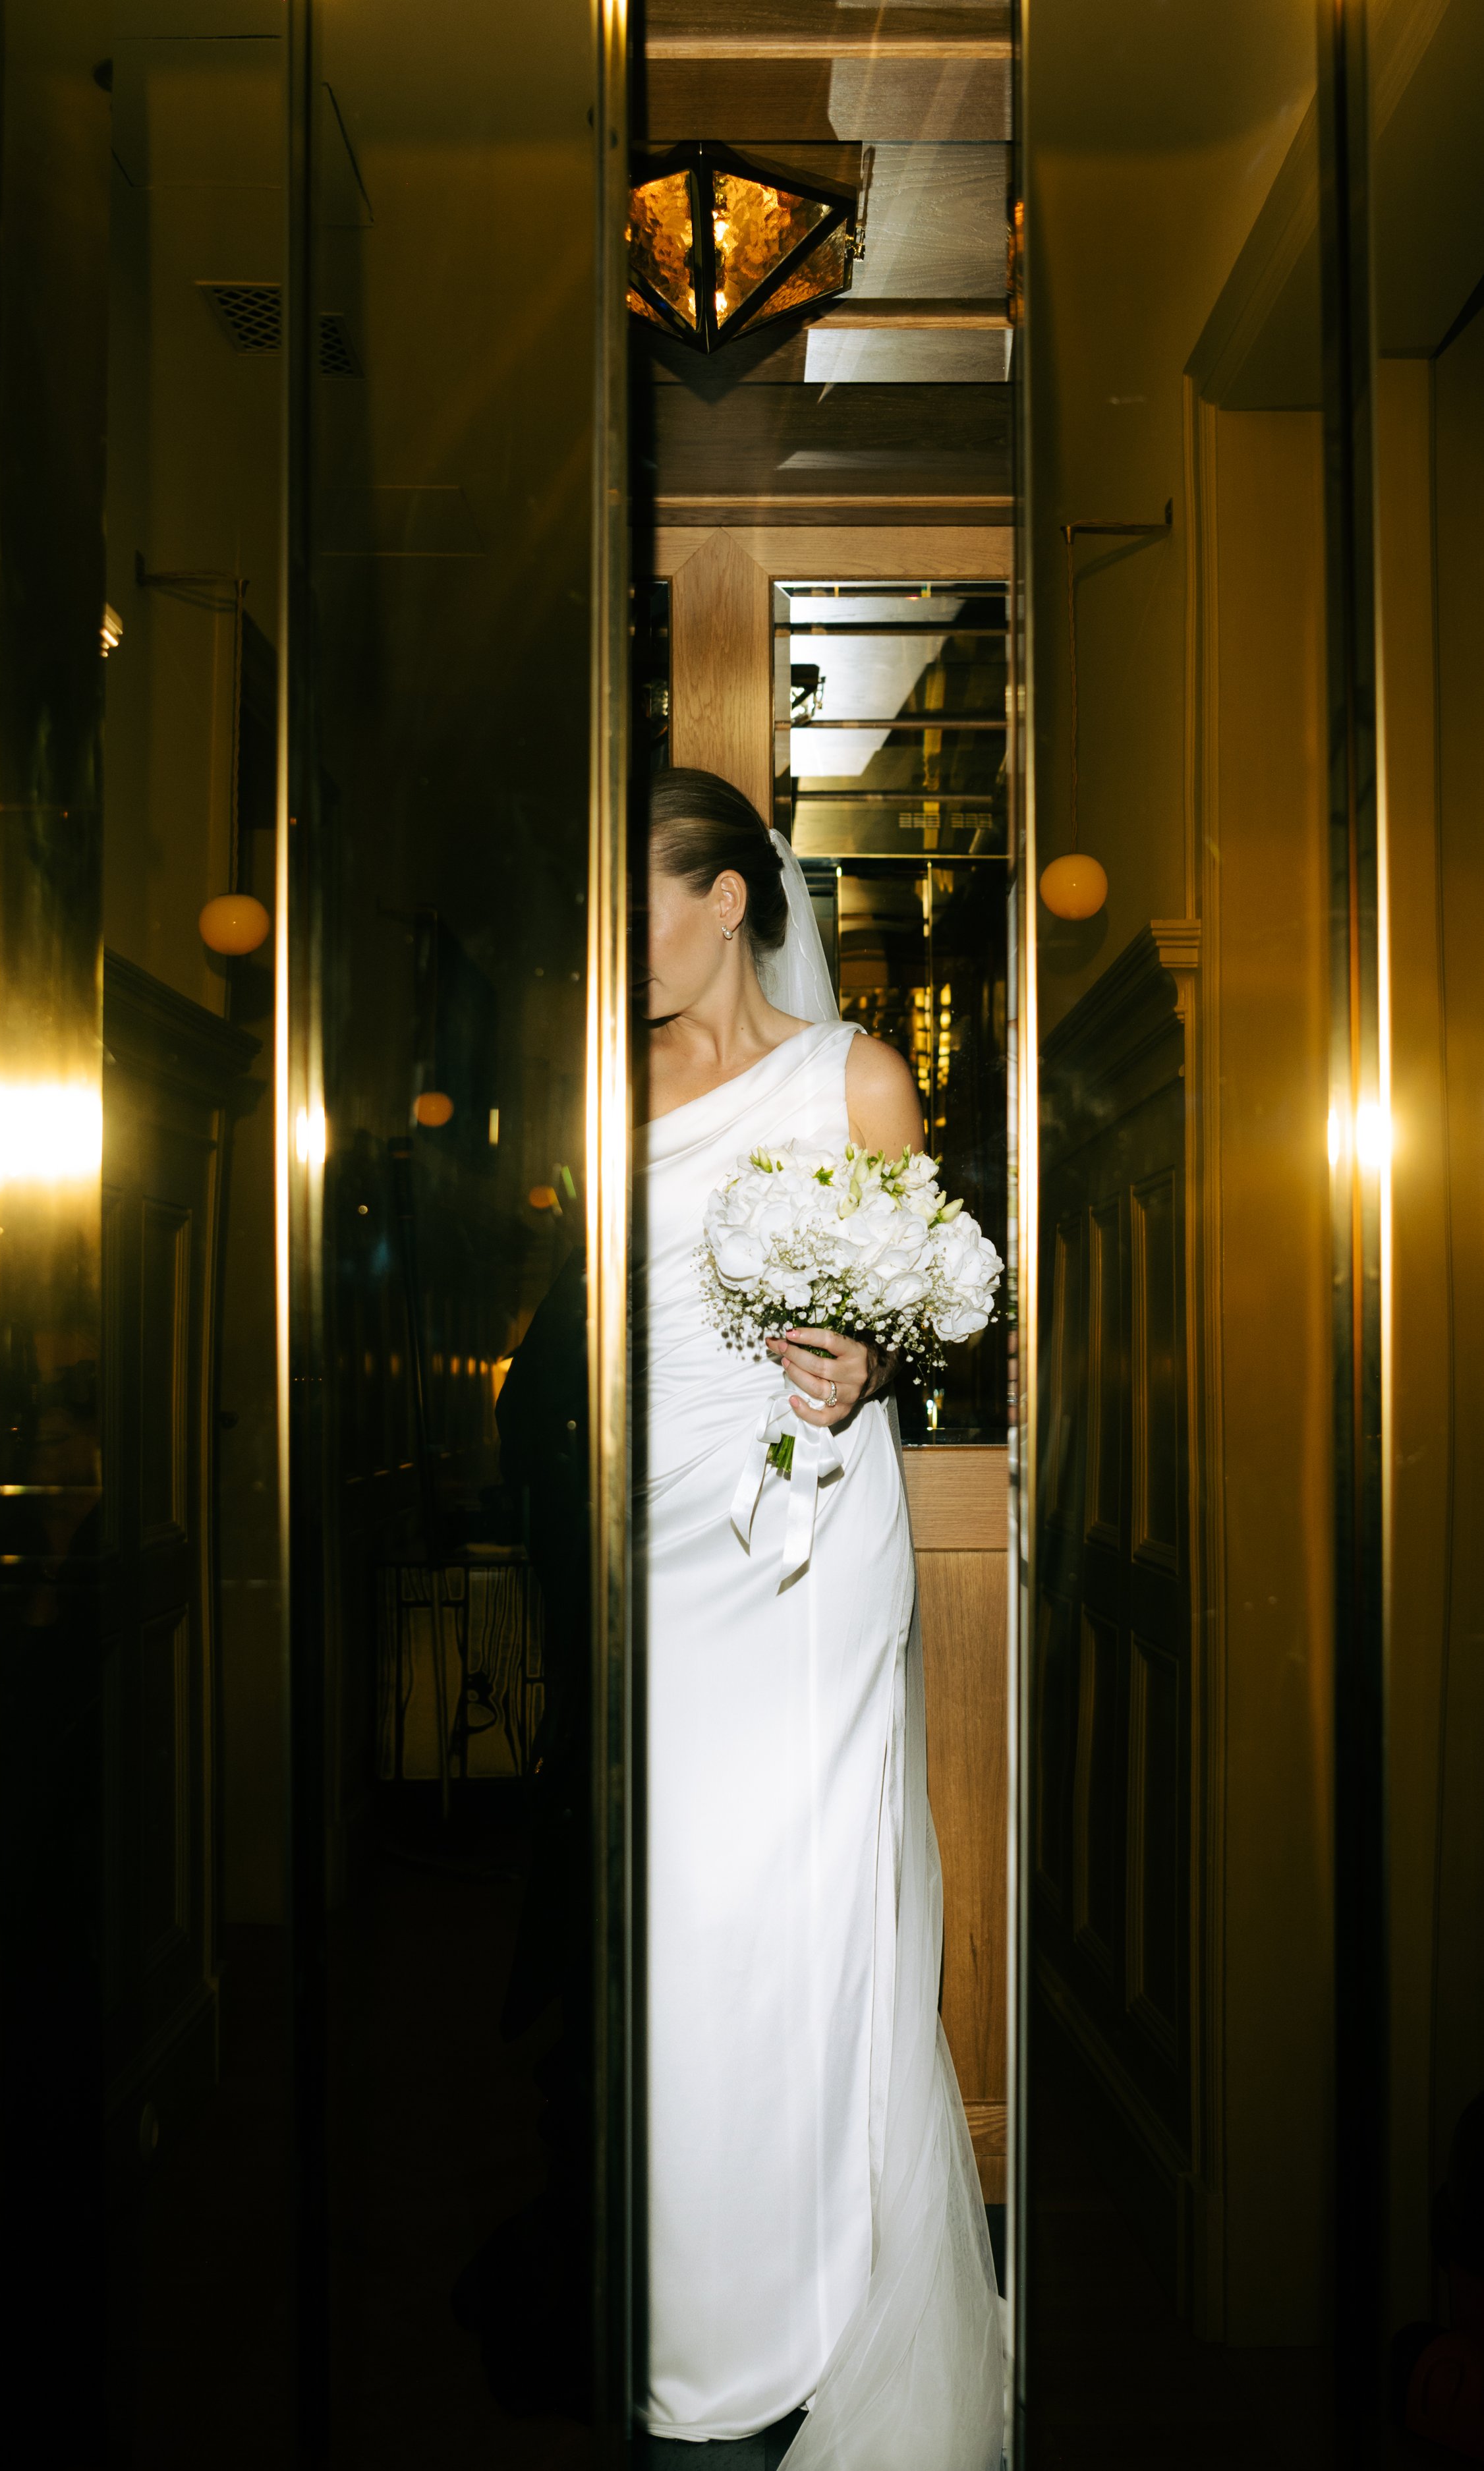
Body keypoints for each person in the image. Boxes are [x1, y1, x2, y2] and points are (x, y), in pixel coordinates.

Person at [636, 769, 1004, 2468]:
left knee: (803, 1893)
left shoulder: (855, 1078)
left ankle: (828, 2285)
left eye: (647, 890)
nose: (625, 931)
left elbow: (936, 1307)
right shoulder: (610, 1083)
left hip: (812, 1529)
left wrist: (873, 1363)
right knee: (682, 1914)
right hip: (661, 1539)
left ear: (725, 899)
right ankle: (694, 2291)